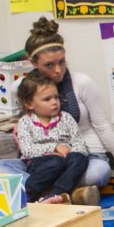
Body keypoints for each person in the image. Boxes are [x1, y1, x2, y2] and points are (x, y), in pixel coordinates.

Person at [0, 17, 114, 205]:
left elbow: (101, 125)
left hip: (80, 155)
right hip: (41, 159)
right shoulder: (19, 87)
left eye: (62, 62)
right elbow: (27, 120)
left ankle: (41, 191)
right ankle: (67, 193)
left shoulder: (82, 83)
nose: (58, 70)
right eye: (49, 65)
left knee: (98, 173)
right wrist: (19, 126)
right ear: (33, 62)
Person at [14, 71, 89, 204]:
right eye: (47, 99)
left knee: (81, 158)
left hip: (66, 159)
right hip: (40, 163)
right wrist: (55, 147)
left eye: (56, 97)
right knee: (55, 162)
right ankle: (28, 195)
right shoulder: (25, 122)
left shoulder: (66, 118)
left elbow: (79, 143)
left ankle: (55, 195)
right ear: (29, 104)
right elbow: (27, 150)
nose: (54, 102)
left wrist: (71, 152)